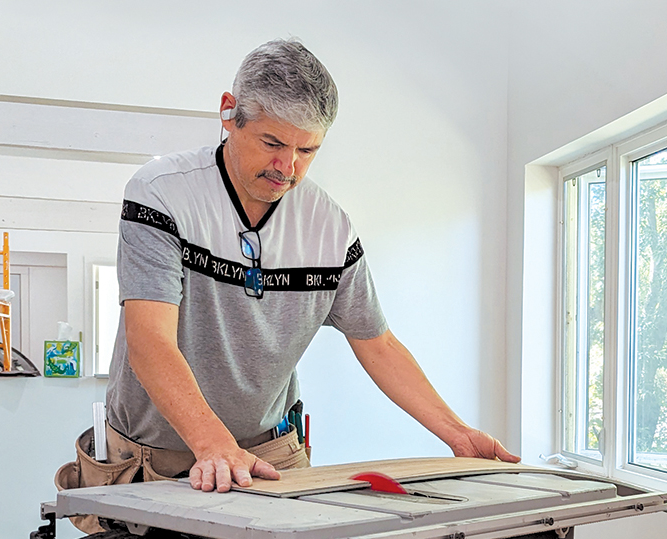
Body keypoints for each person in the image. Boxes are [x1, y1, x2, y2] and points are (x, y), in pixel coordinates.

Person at [105, 38, 517, 494]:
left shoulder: (332, 230)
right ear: (229, 113)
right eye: (272, 142)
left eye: (308, 151)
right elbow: (150, 341)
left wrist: (457, 433)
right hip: (154, 451)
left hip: (271, 447)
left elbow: (378, 344)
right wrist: (213, 444)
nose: (288, 167)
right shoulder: (161, 194)